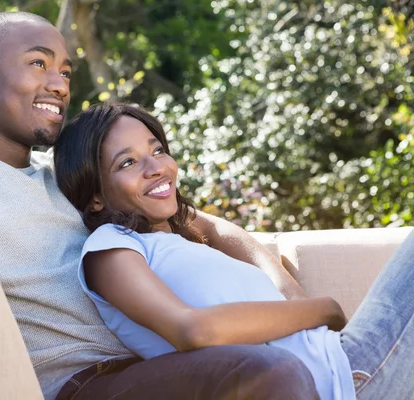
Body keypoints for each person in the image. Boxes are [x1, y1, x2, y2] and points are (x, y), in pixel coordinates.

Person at [0, 12, 320, 400]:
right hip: (82, 385)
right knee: (264, 373)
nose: (59, 83)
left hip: (155, 368)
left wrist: (286, 289)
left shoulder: (75, 183)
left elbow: (208, 227)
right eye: (38, 64)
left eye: (65, 71)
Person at [53, 101, 414, 400]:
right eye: (127, 162)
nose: (156, 168)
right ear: (96, 195)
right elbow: (191, 330)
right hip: (345, 380)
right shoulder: (112, 245)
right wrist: (323, 309)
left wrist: (296, 297)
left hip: (341, 363)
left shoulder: (175, 239)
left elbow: (213, 227)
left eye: (158, 150)